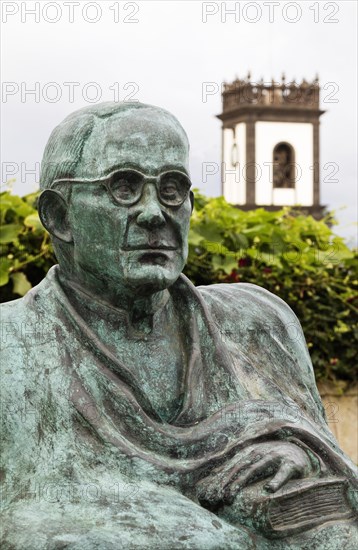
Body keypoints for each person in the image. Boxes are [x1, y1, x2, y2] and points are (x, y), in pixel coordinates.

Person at [1, 102, 357, 549]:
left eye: (172, 189)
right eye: (124, 187)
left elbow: (337, 479)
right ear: (58, 216)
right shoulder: (10, 345)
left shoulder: (259, 322)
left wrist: (296, 453)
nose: (155, 212)